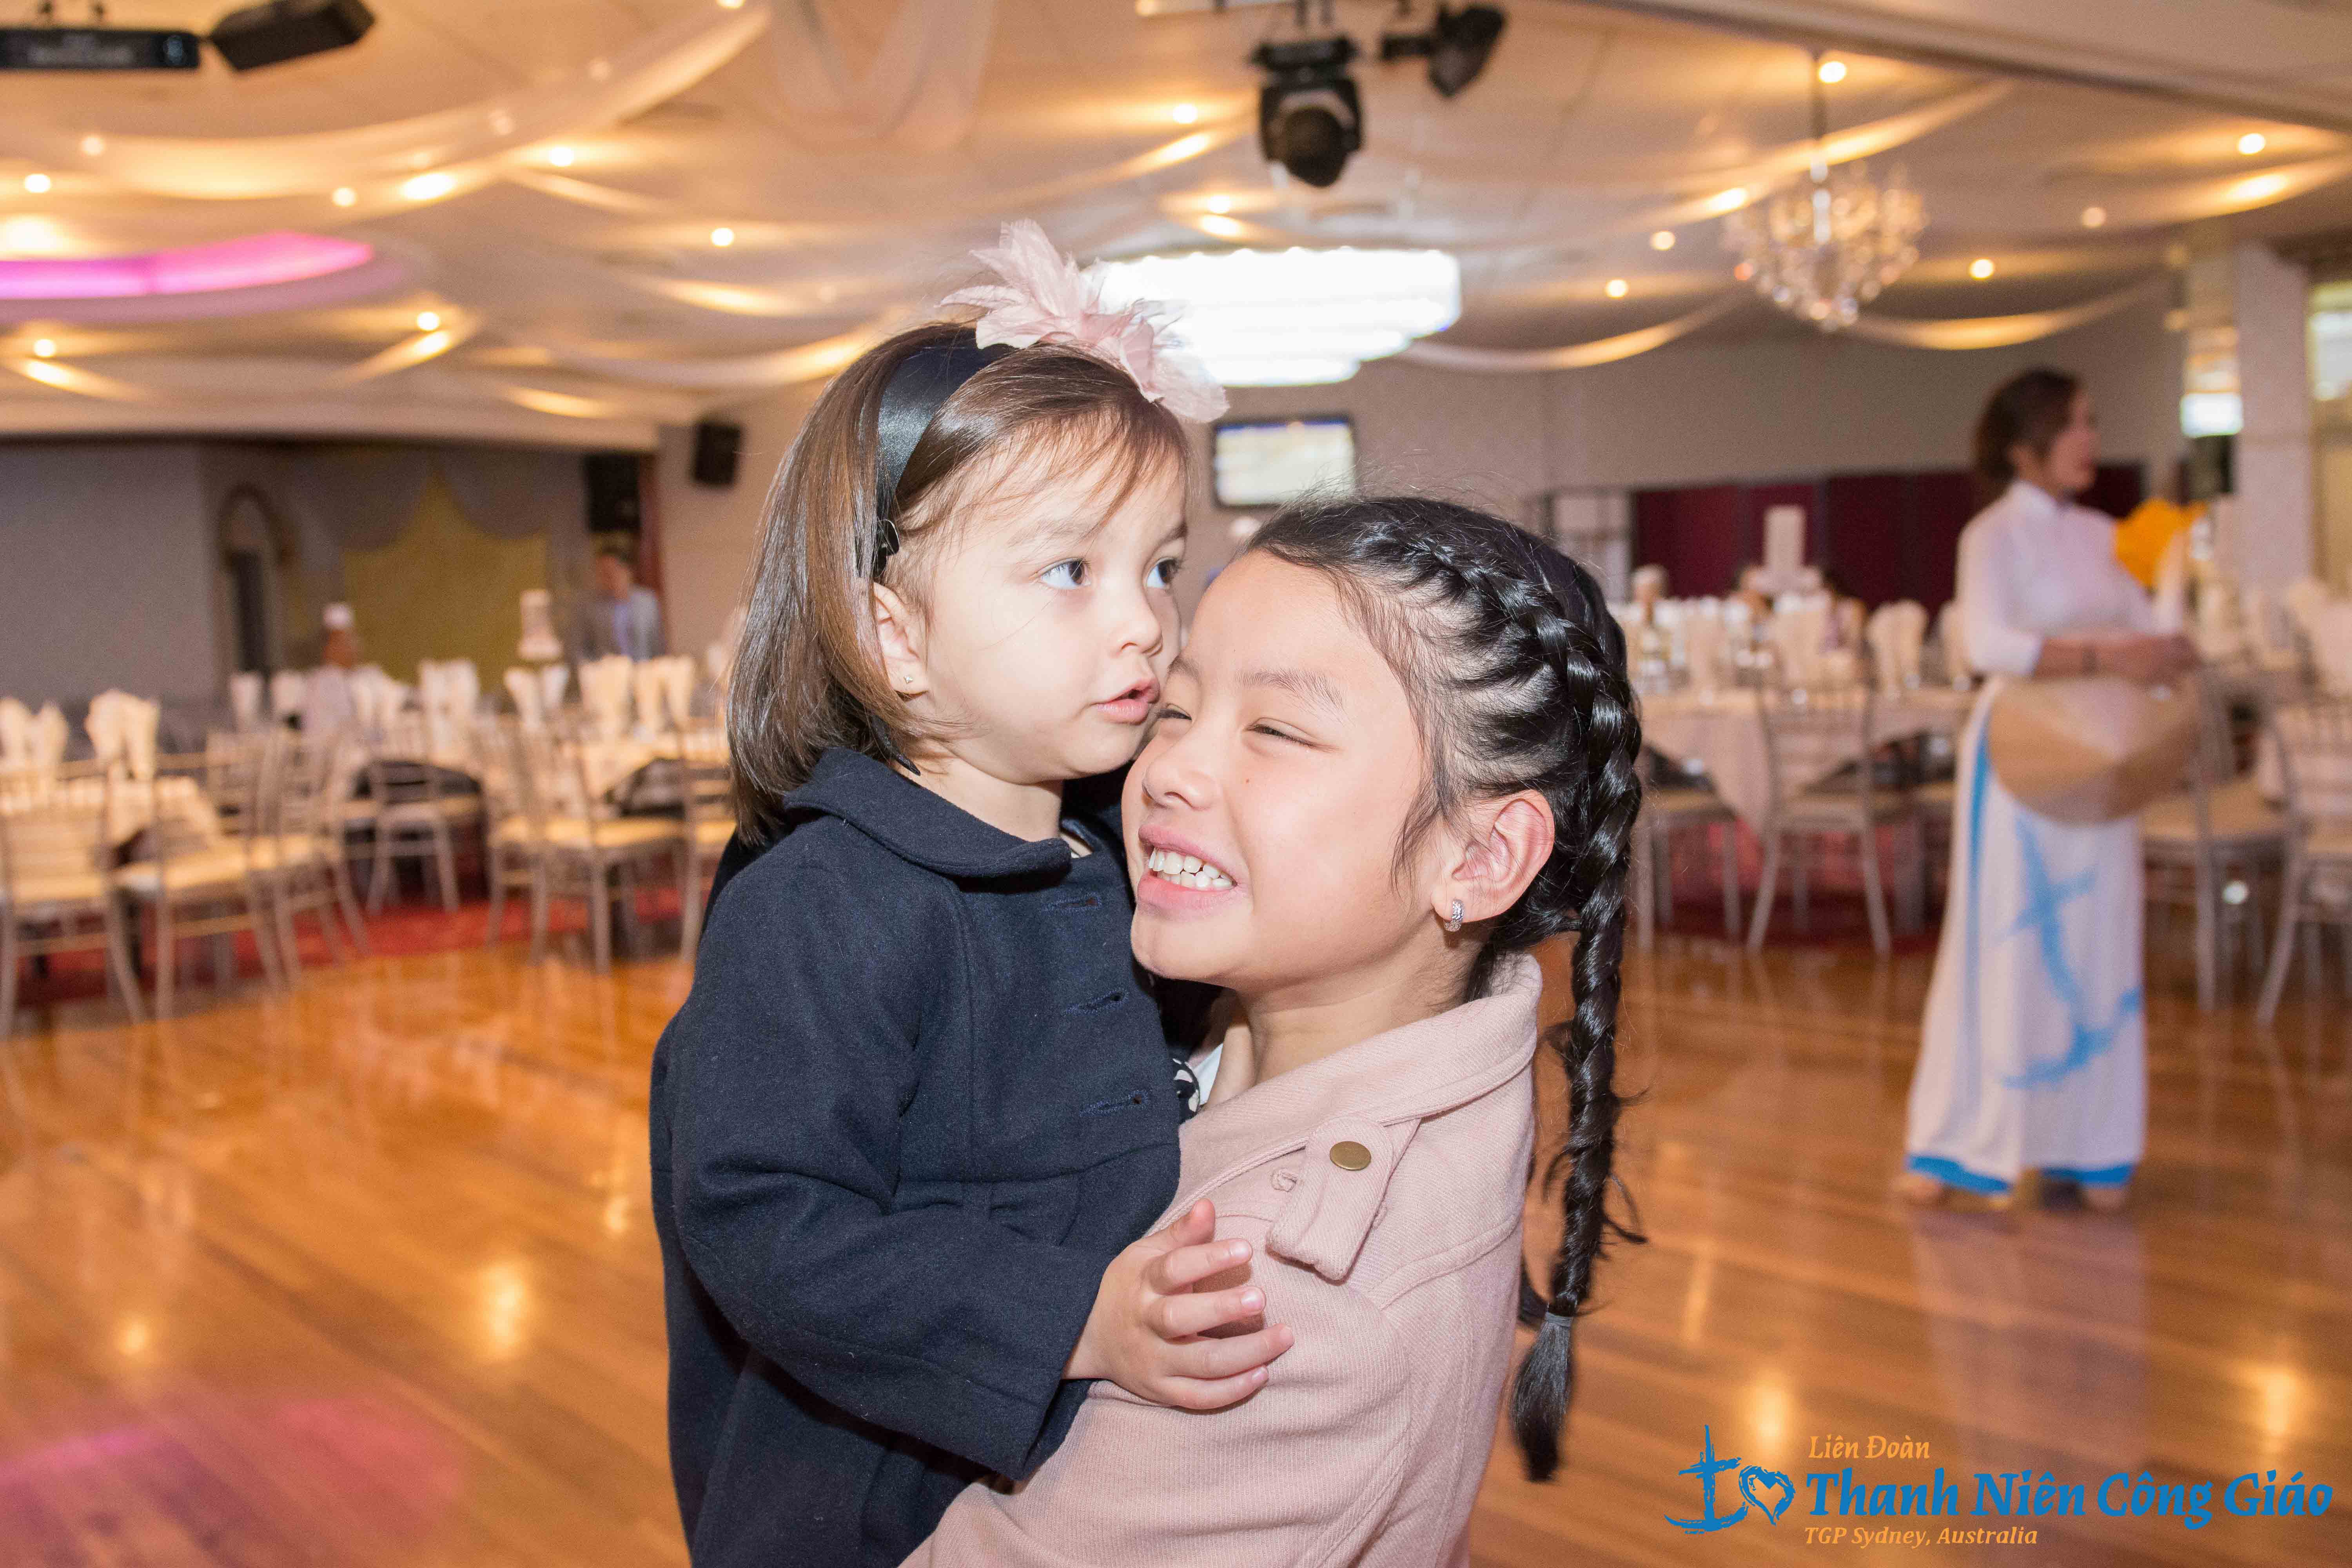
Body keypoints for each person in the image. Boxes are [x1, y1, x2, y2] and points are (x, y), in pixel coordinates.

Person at [647, 222, 1272, 1568]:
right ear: (894, 634)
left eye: (1160, 566)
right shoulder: (820, 905)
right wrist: (1070, 1319)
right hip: (875, 1513)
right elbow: (763, 1215)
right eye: (1070, 571)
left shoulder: (1107, 852)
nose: (1144, 621)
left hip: (1078, 1489)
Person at [907, 496, 1645, 1566]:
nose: (1168, 771)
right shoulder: (1355, 1011)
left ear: (1482, 857)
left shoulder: (1284, 1304)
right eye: (1175, 708)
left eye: (1277, 731)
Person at [1900, 368, 2198, 1212]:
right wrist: (2109, 654)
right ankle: (1963, 1144)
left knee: (2100, 936)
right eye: (2074, 423)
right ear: (2025, 442)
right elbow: (1989, 643)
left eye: (2092, 422)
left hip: (2103, 756)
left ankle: (2091, 1146)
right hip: (2023, 755)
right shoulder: (1993, 534)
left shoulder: (2108, 533)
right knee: (2007, 940)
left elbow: (2150, 633)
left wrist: (2173, 624)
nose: (2090, 438)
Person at [576, 542, 667, 659]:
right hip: (609, 668)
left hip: (644, 667)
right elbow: (579, 649)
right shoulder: (590, 607)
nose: (608, 578)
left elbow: (658, 644)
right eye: (603, 573)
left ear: (628, 570)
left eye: (612, 571)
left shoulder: (648, 601)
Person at [301, 602, 361, 734]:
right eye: (341, 641)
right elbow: (318, 732)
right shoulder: (318, 684)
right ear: (328, 647)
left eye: (351, 639)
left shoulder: (367, 675)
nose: (350, 647)